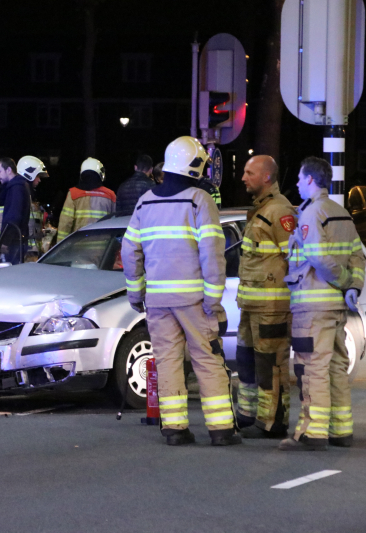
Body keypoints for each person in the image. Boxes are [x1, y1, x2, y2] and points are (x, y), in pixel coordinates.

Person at [121, 136, 240, 447]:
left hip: (158, 301)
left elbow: (129, 249)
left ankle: (174, 429)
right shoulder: (199, 200)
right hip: (194, 301)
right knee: (208, 359)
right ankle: (221, 430)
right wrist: (213, 298)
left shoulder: (145, 202)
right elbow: (212, 252)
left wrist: (136, 294)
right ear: (195, 166)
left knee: (168, 361)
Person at [279, 156, 366, 452]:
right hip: (337, 308)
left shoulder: (312, 213)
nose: (296, 184)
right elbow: (357, 256)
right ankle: (341, 430)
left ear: (310, 180)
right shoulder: (341, 213)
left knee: (311, 369)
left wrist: (343, 280)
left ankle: (312, 432)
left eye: (299, 178)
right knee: (336, 367)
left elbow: (317, 256)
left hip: (312, 306)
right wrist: (353, 286)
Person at [234, 155, 297, 439]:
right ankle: (249, 415)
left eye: (250, 173)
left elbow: (295, 257)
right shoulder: (262, 209)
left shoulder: (279, 211)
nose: (243, 178)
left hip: (272, 307)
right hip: (251, 305)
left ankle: (273, 422)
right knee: (248, 361)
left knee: (271, 364)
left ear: (266, 177)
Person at [56, 157, 115, 243]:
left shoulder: (73, 194)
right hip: (103, 246)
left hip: (79, 246)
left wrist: (60, 246)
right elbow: (115, 222)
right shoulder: (110, 195)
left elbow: (65, 224)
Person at [0, 157, 31, 264]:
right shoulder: (16, 186)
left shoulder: (16, 188)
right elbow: (0, 201)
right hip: (16, 241)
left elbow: (14, 216)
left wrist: (6, 242)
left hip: (13, 242)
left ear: (9, 170)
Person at [16, 155, 49, 261]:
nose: (39, 180)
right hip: (23, 251)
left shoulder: (29, 195)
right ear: (29, 174)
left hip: (32, 251)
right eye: (37, 176)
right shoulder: (17, 194)